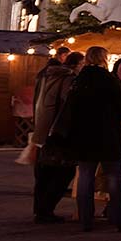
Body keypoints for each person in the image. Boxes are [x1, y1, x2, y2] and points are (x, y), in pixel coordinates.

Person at [62, 46, 121, 232]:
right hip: (107, 134)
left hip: (84, 135)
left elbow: (71, 108)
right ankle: (120, 220)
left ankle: (86, 220)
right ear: (103, 59)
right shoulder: (108, 79)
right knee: (114, 177)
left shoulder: (79, 80)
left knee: (85, 177)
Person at [31, 49, 82, 223]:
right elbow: (69, 104)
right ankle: (46, 210)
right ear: (76, 65)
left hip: (43, 128)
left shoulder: (46, 75)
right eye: (82, 64)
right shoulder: (68, 79)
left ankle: (41, 210)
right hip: (59, 130)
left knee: (45, 171)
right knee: (64, 171)